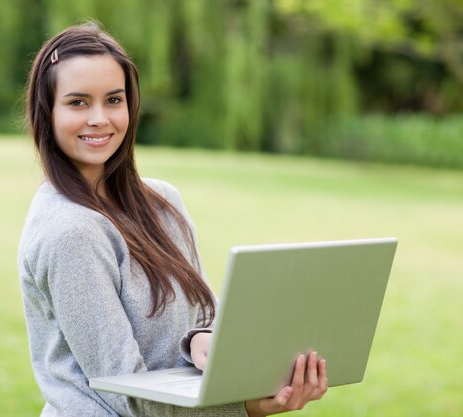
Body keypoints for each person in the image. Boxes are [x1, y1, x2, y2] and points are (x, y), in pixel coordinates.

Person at [18, 21, 328, 417]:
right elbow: (127, 397)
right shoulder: (70, 232)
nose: (100, 118)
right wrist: (245, 406)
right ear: (46, 111)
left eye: (114, 100)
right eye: (78, 102)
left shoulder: (164, 202)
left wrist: (206, 340)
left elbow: (207, 313)